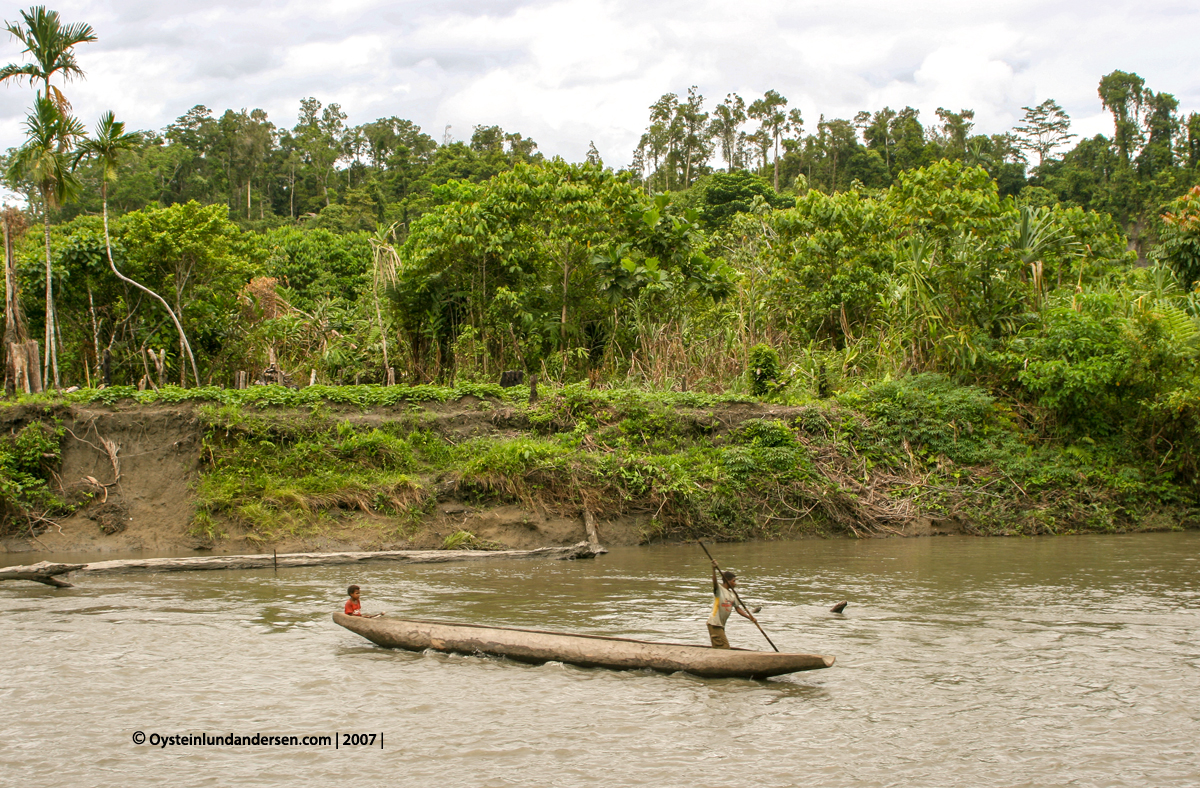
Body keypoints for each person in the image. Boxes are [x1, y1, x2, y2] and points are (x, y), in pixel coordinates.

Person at [706, 561, 757, 648]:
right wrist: (713, 569)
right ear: (727, 581)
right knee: (724, 647)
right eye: (734, 581)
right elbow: (714, 582)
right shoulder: (719, 590)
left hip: (721, 625)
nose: (735, 583)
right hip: (714, 623)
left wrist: (750, 617)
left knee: (719, 647)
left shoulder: (732, 594)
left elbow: (738, 609)